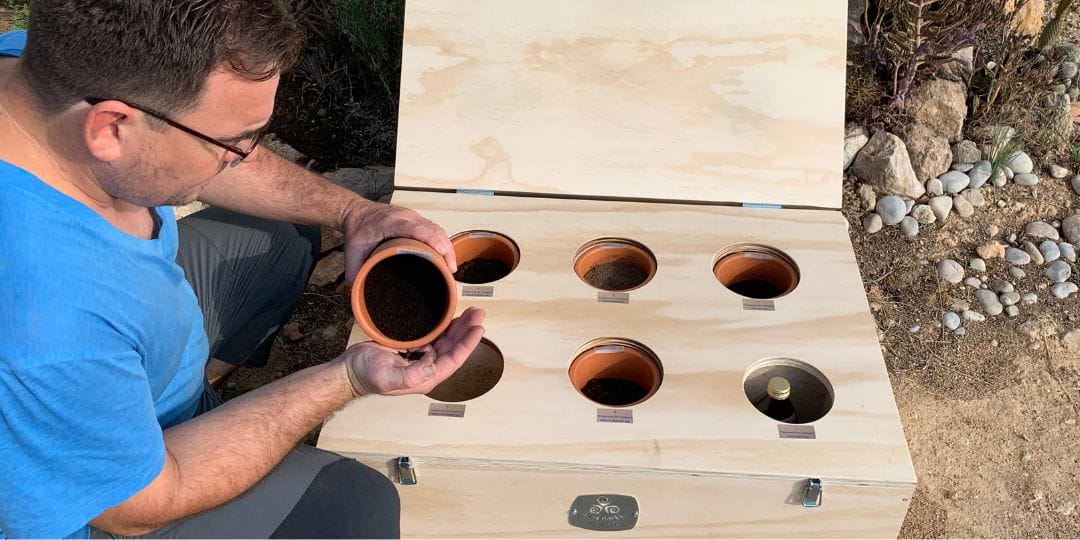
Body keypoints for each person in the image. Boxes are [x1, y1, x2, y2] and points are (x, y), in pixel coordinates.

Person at [0, 1, 486, 538]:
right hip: (112, 505)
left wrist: (356, 213)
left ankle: (197, 391)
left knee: (285, 235)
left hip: (111, 343)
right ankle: (172, 424)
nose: (245, 155)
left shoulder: (43, 74)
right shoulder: (47, 323)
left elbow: (197, 155)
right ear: (111, 127)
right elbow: (138, 508)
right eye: (234, 140)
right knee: (355, 507)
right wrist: (346, 376)